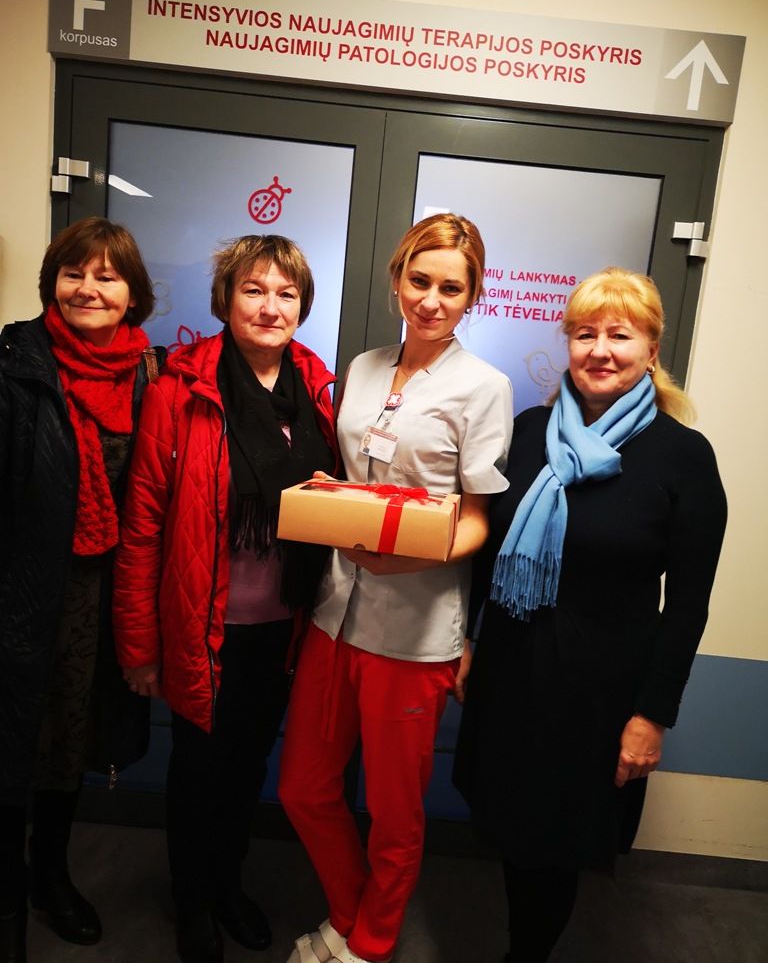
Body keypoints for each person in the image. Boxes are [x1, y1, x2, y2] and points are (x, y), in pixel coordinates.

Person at [453, 266, 728, 963]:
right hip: (513, 673)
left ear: (652, 350)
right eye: (585, 334)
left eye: (620, 335)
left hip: (599, 696)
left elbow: (688, 606)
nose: (600, 350)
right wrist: (468, 642)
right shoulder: (529, 432)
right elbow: (485, 554)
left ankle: (527, 956)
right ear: (568, 344)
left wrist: (651, 715)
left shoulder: (683, 457)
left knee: (557, 843)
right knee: (513, 830)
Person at [279, 213, 514, 963]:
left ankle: (371, 943)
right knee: (304, 787)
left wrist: (409, 559)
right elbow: (359, 477)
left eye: (452, 288)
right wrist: (330, 495)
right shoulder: (364, 367)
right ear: (396, 279)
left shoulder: (485, 387)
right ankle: (350, 912)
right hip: (335, 612)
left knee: (394, 811)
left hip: (414, 630)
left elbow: (477, 521)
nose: (431, 301)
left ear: (473, 295)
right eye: (419, 281)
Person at [112, 234, 338, 963]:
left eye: (286, 294)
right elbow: (143, 526)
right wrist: (139, 645)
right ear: (226, 300)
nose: (270, 307)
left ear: (301, 306)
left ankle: (228, 885)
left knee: (247, 768)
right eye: (254, 290)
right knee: (197, 773)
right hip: (201, 627)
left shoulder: (318, 393)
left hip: (286, 626)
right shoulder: (179, 392)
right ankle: (193, 904)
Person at [0, 217, 160, 962]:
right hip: (24, 594)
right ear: (52, 284)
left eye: (107, 276)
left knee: (70, 740)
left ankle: (50, 875)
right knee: (13, 741)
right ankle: (8, 891)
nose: (89, 289)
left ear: (133, 294)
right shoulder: (17, 365)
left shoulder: (149, 377)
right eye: (73, 273)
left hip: (105, 597)